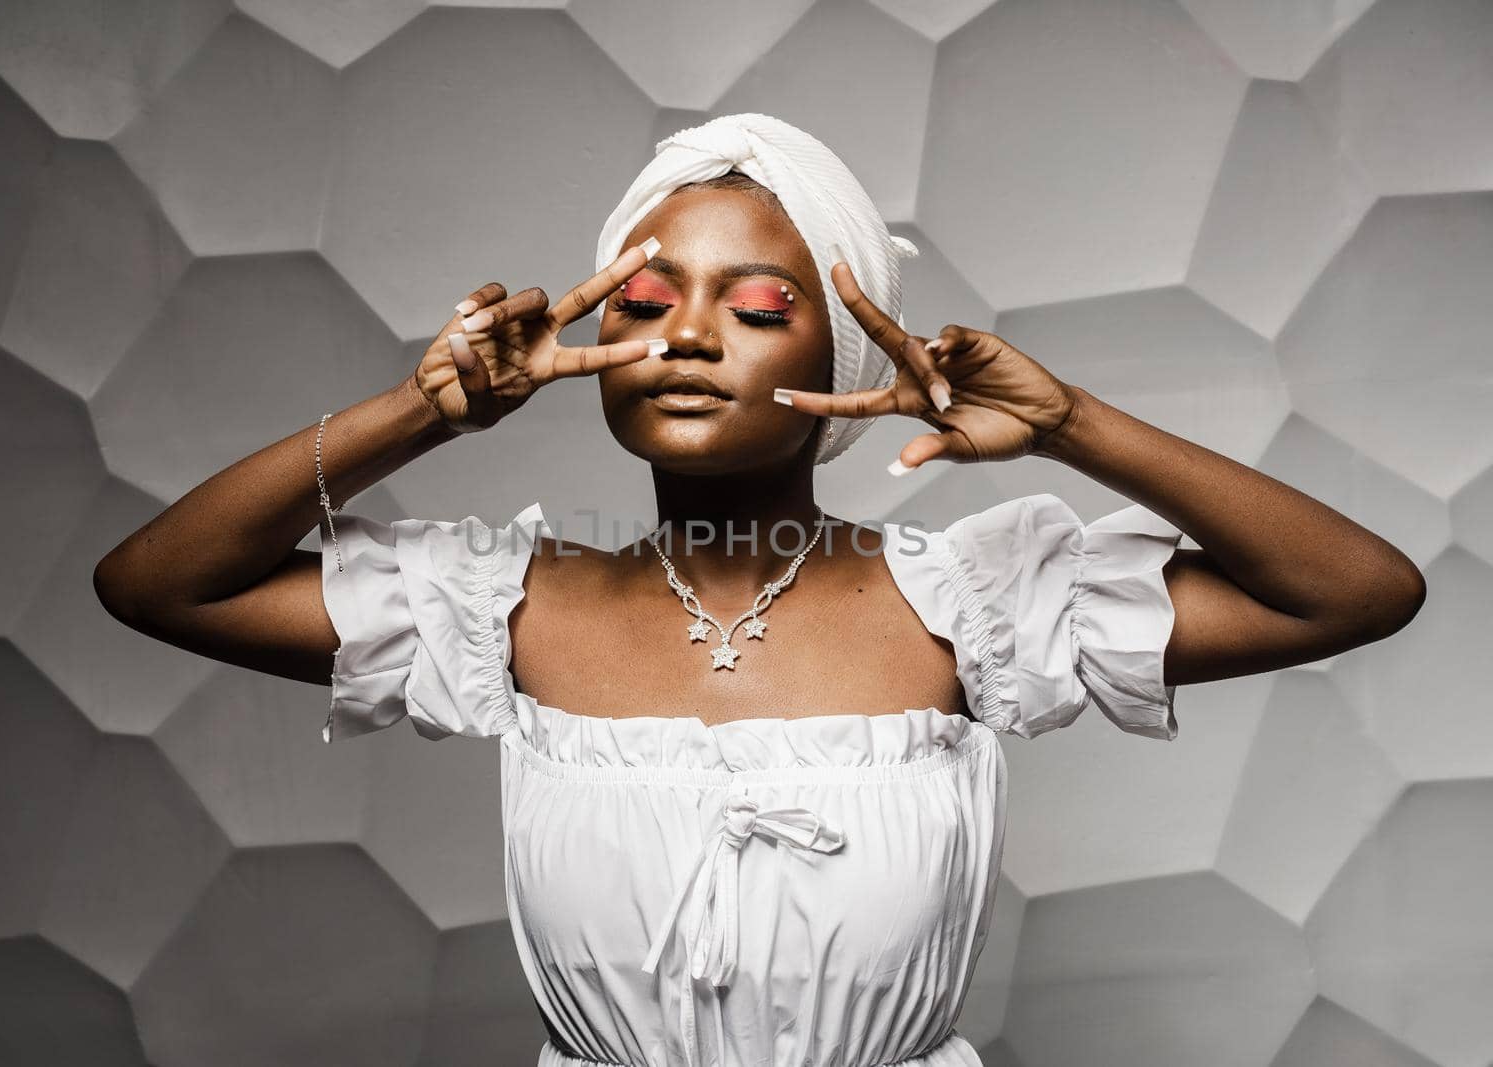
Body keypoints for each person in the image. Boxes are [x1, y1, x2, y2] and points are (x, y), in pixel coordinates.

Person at [94, 113, 1426, 1066]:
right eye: (650, 299)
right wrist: (419, 415)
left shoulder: (968, 603)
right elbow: (156, 584)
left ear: (841, 342)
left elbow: (1354, 593)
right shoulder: (508, 603)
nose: (684, 335)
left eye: (756, 300)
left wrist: (1072, 422)